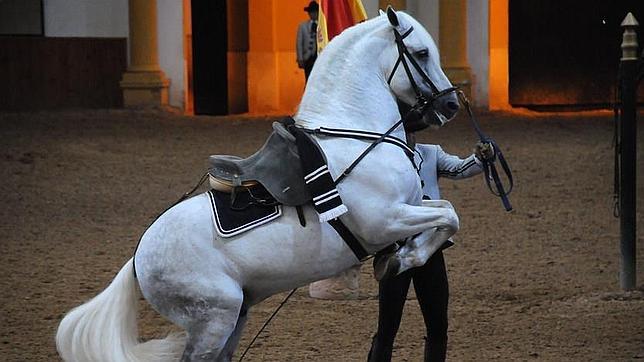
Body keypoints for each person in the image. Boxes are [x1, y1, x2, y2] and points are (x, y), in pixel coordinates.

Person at [368, 130, 494, 362]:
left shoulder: (431, 153)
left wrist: (480, 158)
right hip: (395, 251)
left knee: (438, 324)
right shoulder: (379, 158)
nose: (409, 135)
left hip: (431, 250)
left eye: (412, 130)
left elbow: (459, 168)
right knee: (387, 327)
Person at [296, 1, 319, 82]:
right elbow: (299, 43)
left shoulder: (322, 25)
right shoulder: (303, 26)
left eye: (315, 12)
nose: (313, 14)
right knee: (308, 79)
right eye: (311, 12)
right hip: (308, 57)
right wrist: (300, 58)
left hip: (319, 56)